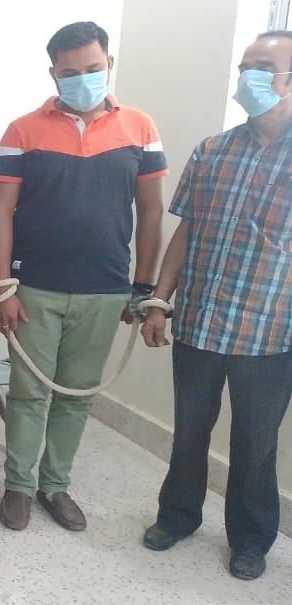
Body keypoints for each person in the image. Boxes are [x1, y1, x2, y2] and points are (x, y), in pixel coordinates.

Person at [0, 21, 166, 532]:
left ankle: (55, 485)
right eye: (70, 72)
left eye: (92, 68)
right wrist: (1, 288)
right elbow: (1, 213)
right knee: (28, 393)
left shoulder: (141, 128)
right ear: (54, 74)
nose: (82, 79)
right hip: (33, 288)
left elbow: (151, 212)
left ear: (109, 64)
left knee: (76, 395)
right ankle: (18, 487)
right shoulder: (22, 131)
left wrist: (143, 289)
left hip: (105, 290)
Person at [139, 31, 292, 581]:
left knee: (255, 446)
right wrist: (159, 300)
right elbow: (187, 232)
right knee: (189, 432)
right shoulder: (213, 150)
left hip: (270, 335)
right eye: (245, 66)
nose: (248, 76)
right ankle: (177, 516)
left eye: (263, 66)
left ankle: (250, 539)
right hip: (200, 324)